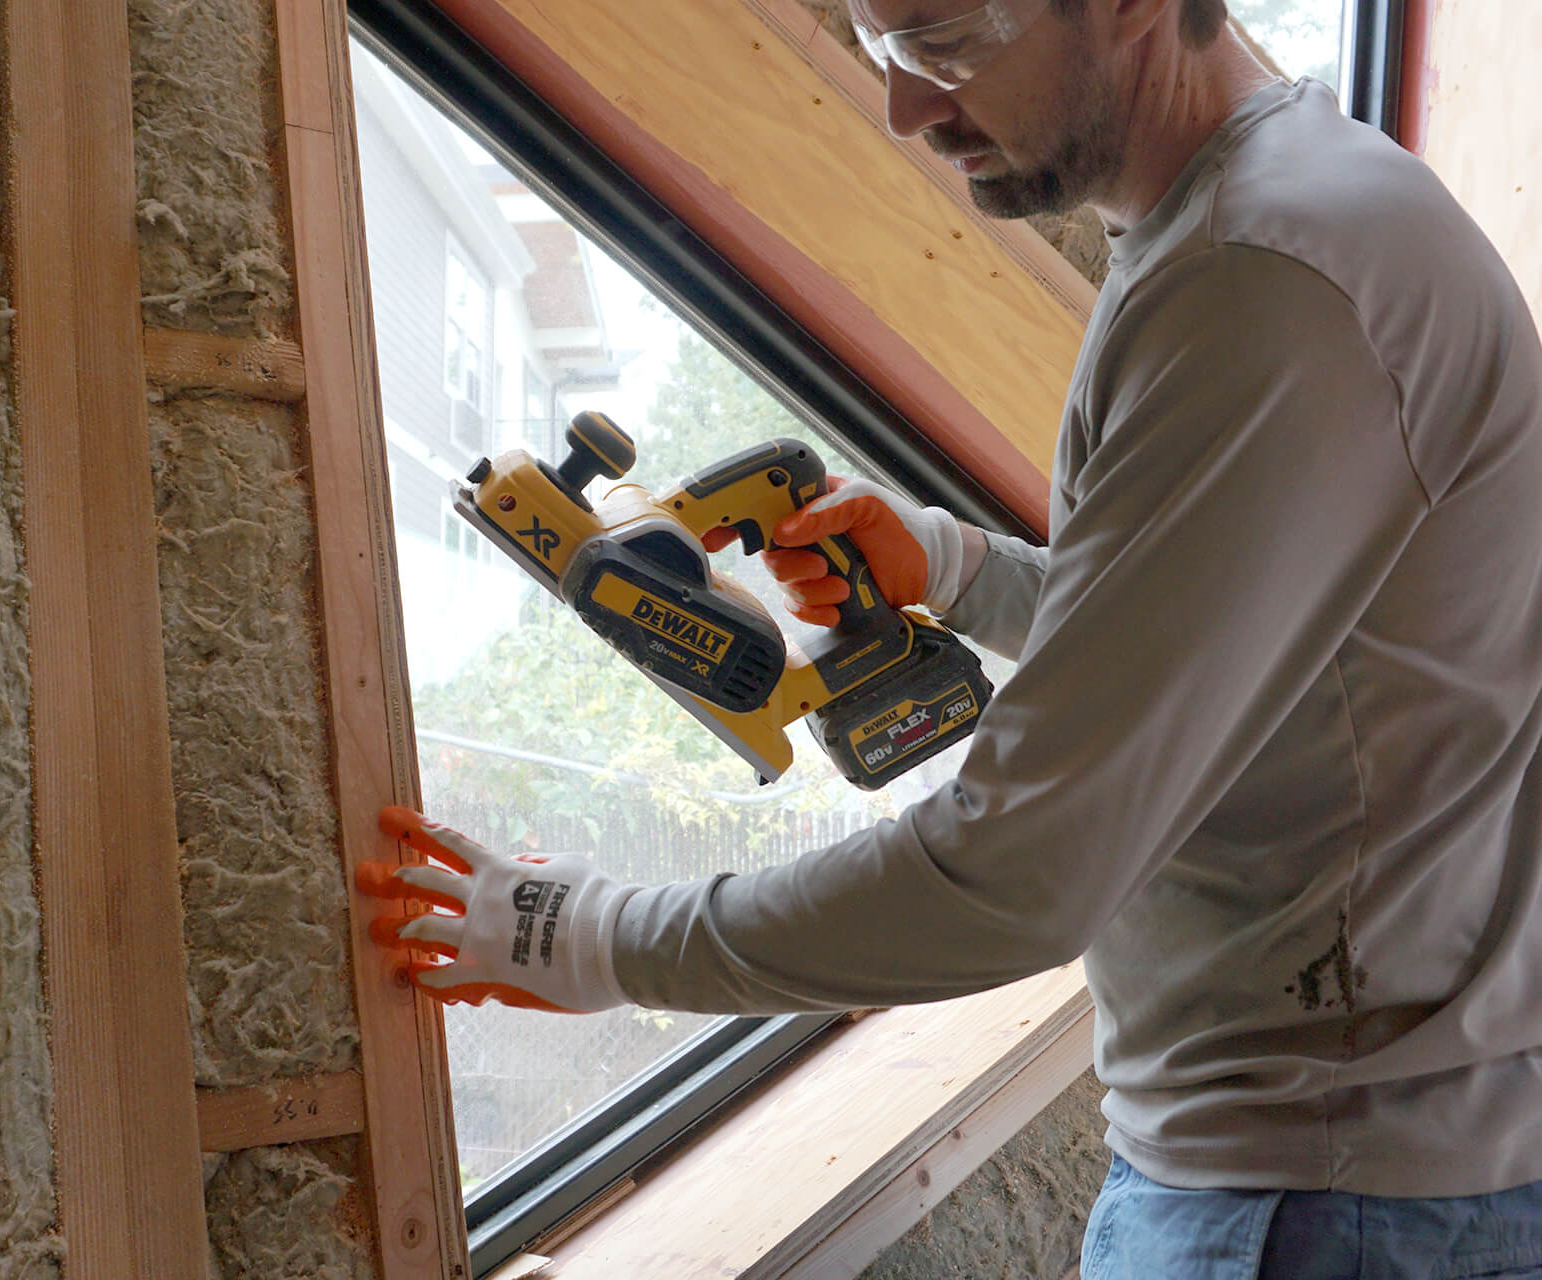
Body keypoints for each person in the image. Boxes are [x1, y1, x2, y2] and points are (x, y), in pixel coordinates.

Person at [359, 0, 1542, 1273]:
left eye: (943, 42)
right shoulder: (1287, 207)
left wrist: (591, 936)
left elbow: (1018, 877)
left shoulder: (1263, 281)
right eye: (884, 49)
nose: (906, 108)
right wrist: (958, 568)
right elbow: (1255, 640)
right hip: (1349, 1165)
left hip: (1322, 1197)